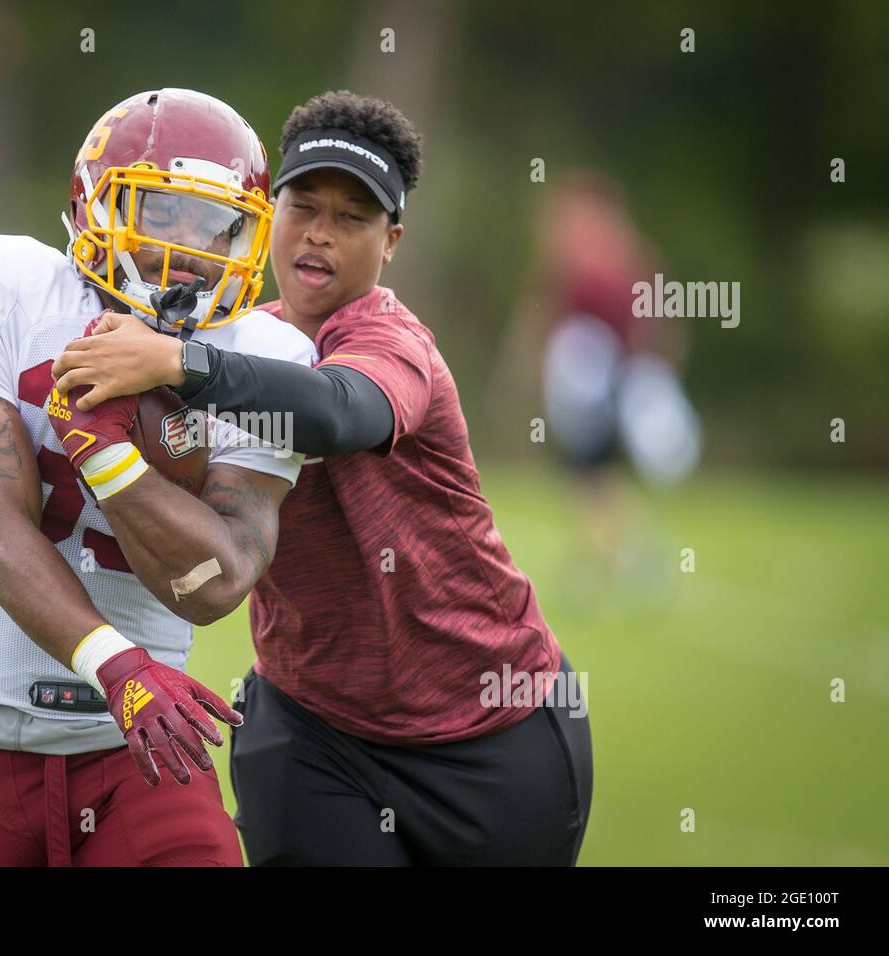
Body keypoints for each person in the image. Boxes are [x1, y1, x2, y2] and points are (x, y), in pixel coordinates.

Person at [52, 90, 593, 865]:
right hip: (313, 730)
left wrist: (180, 363)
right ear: (267, 214)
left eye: (354, 218)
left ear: (392, 240)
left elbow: (340, 411)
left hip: (491, 728)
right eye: (304, 207)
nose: (321, 236)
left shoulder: (389, 341)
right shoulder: (229, 332)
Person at [0, 88, 315, 866]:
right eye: (163, 212)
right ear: (93, 204)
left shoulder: (267, 360)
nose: (193, 249)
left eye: (219, 225)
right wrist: (117, 668)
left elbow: (216, 583)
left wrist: (110, 459)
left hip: (146, 755)